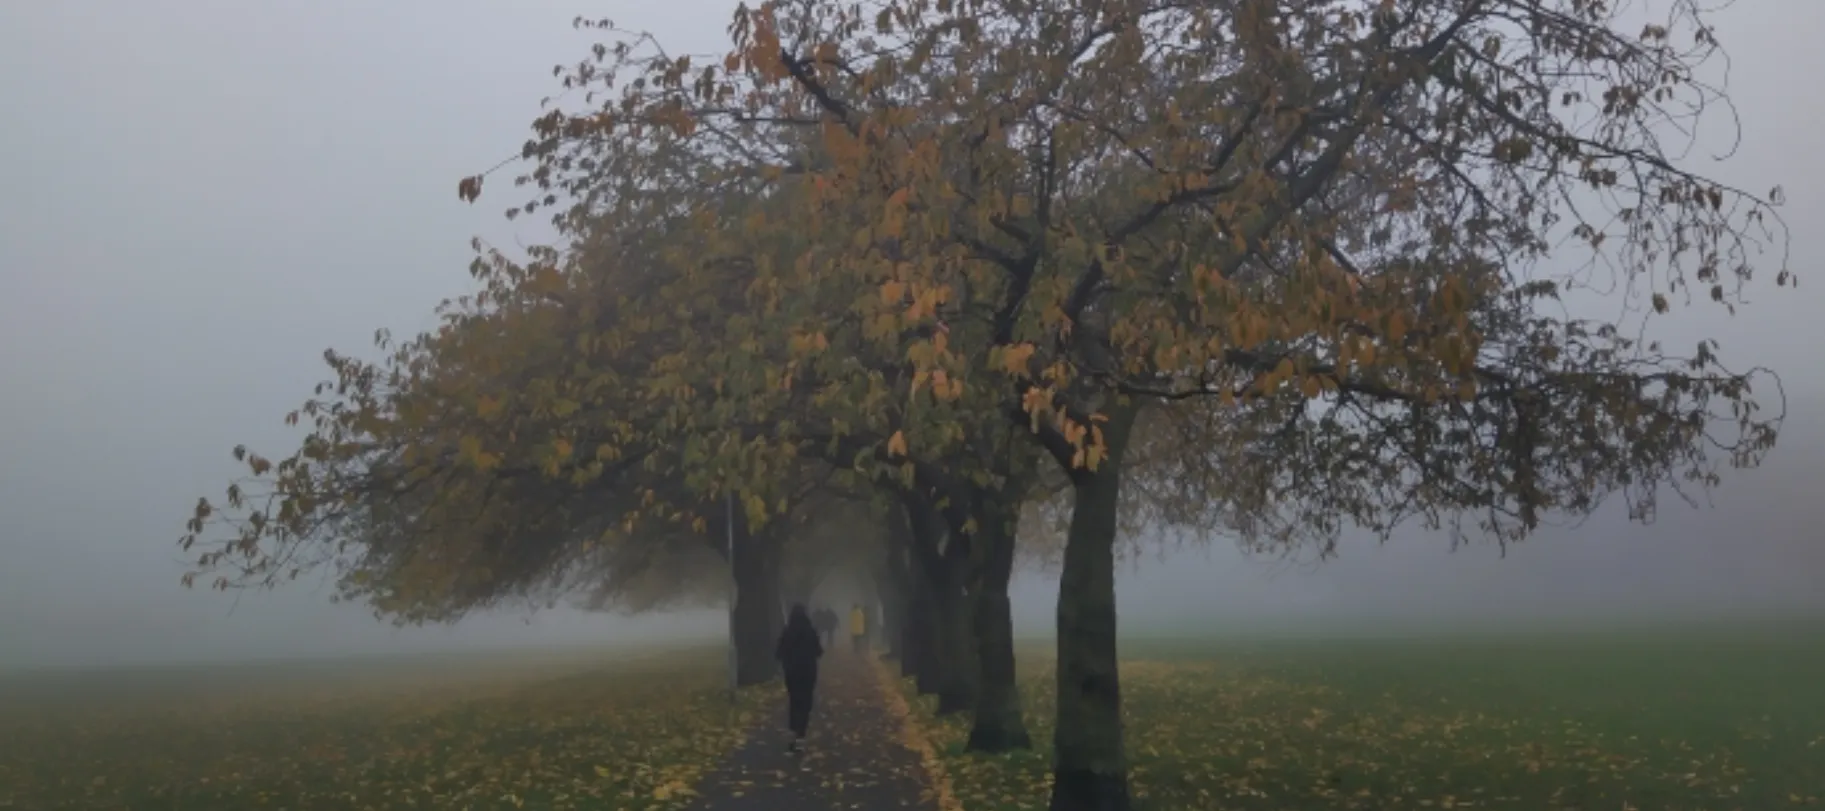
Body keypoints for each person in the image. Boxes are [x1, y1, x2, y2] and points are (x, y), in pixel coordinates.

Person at [775, 603, 824, 753]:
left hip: (792, 672)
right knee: (806, 704)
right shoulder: (810, 631)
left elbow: (778, 653)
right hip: (808, 672)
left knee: (794, 702)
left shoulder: (787, 631)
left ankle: (792, 734)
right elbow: (819, 652)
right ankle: (801, 736)